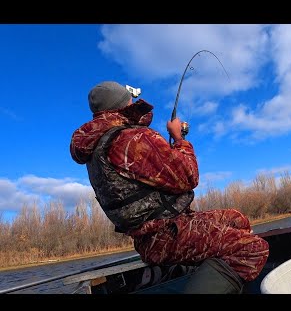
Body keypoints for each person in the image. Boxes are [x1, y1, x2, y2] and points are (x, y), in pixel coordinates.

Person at [70, 81, 269, 293]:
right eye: (129, 98)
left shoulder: (100, 146)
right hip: (163, 236)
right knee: (252, 250)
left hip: (161, 230)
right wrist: (178, 138)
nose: (133, 101)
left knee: (236, 219)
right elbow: (188, 176)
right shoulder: (131, 139)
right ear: (121, 104)